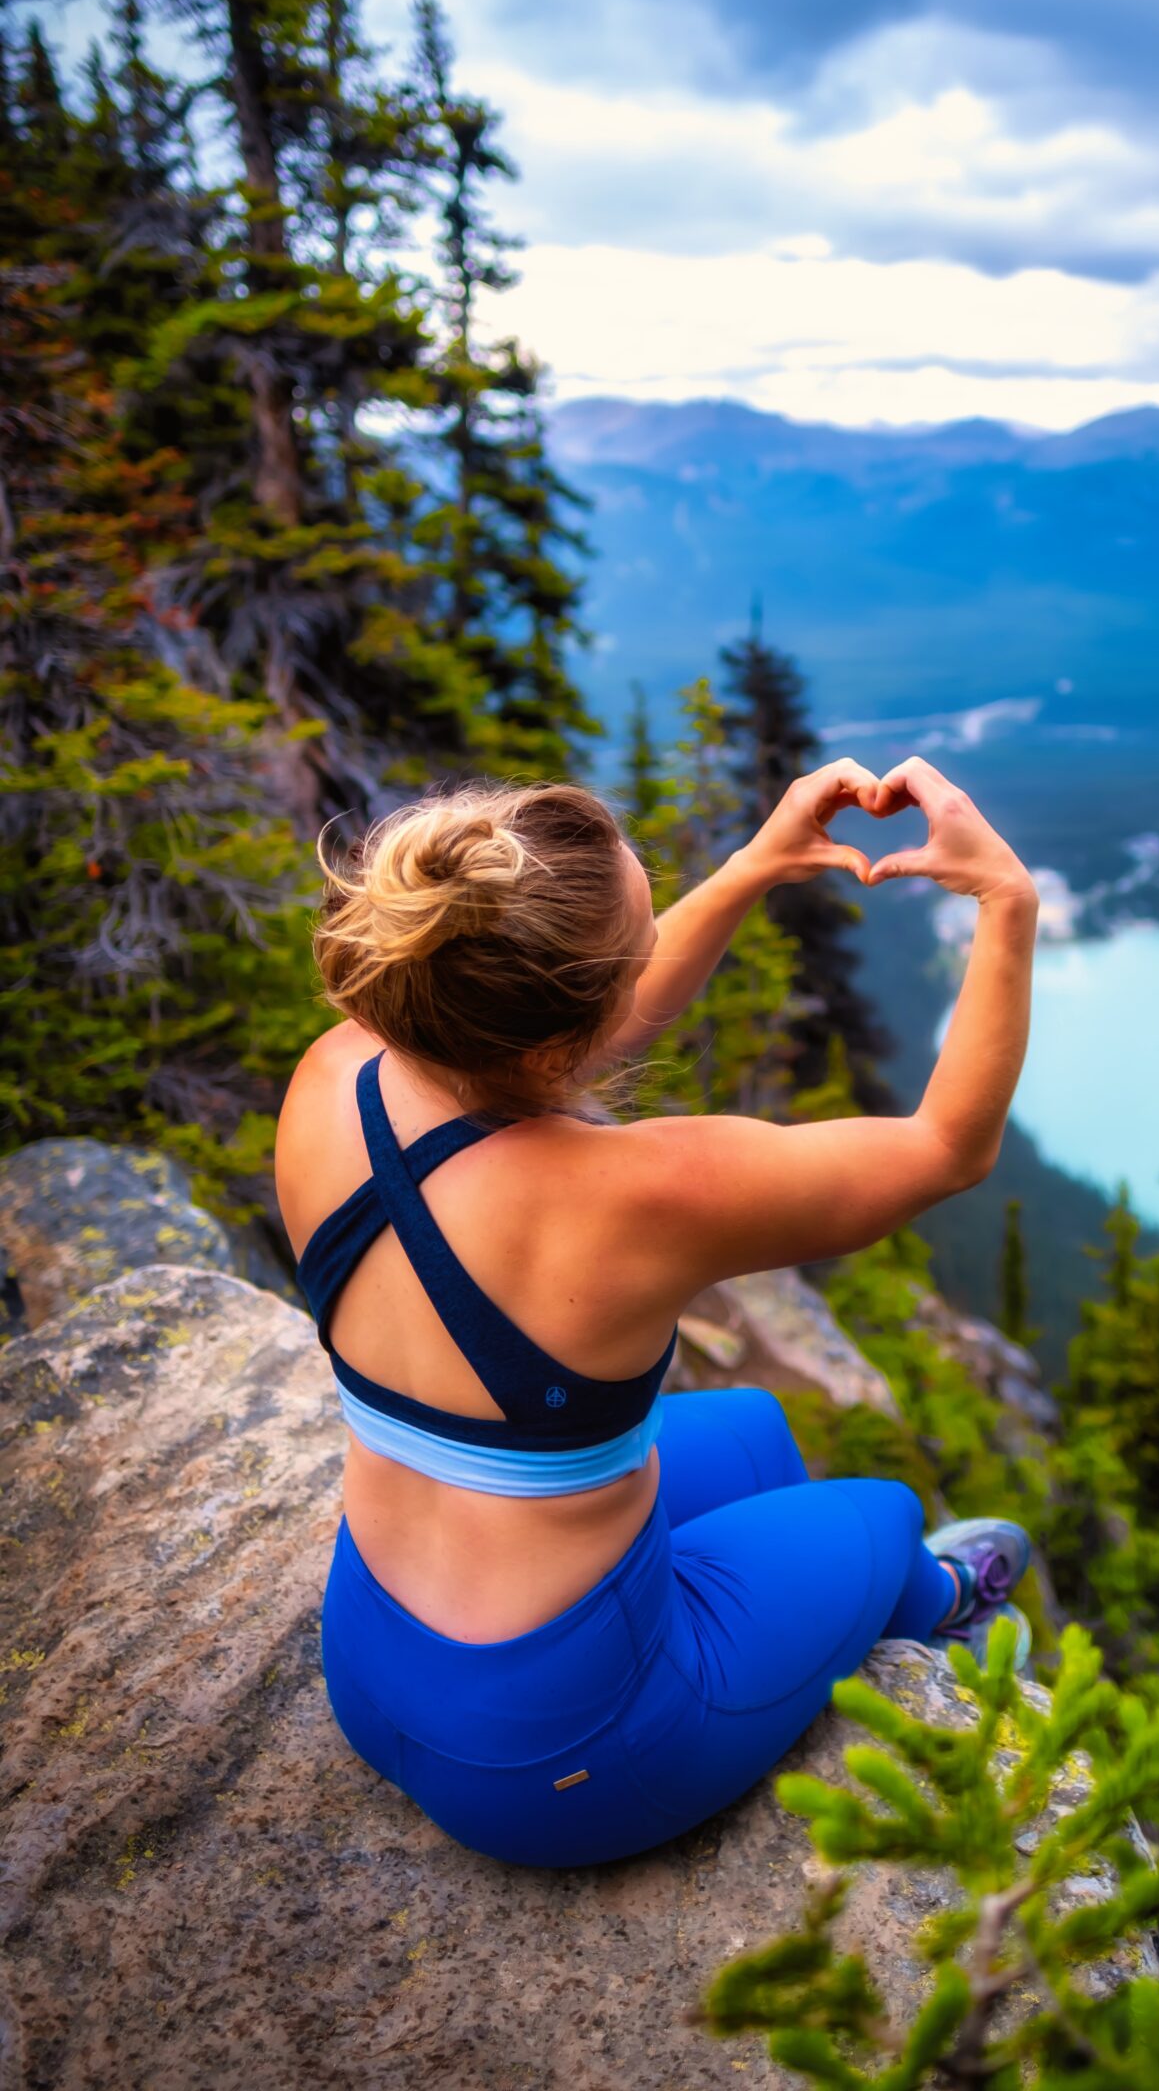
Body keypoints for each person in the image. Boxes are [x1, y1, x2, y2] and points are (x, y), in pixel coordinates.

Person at [275, 754, 1040, 1869]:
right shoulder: (638, 1195)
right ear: (561, 1034)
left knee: (757, 1435)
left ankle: (804, 1586)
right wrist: (1005, 903)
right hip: (557, 1760)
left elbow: (553, 1027)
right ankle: (946, 1612)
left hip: (373, 1649)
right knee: (881, 1516)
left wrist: (756, 864)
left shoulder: (338, 1067)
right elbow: (944, 1147)